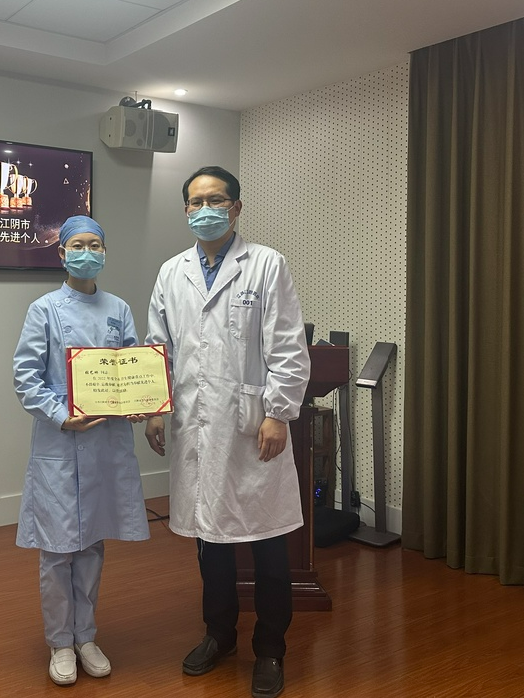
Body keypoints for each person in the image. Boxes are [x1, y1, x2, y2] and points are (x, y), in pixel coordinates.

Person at [144, 166, 310, 698]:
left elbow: (288, 346)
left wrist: (278, 413)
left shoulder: (265, 264)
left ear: (236, 208)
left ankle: (271, 649)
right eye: (195, 202)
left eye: (216, 200)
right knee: (209, 544)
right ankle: (219, 635)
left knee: (268, 546)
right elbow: (158, 345)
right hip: (196, 427)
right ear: (185, 210)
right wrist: (154, 408)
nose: (205, 210)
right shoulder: (172, 272)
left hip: (253, 427)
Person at [13, 215, 151, 686]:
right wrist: (60, 415)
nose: (87, 253)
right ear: (62, 253)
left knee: (91, 543)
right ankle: (60, 642)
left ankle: (86, 636)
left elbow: (133, 368)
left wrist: (140, 403)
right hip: (61, 441)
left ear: (105, 253)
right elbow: (25, 378)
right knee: (57, 549)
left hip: (107, 442)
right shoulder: (44, 310)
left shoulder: (119, 308)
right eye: (78, 245)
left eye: (95, 245)